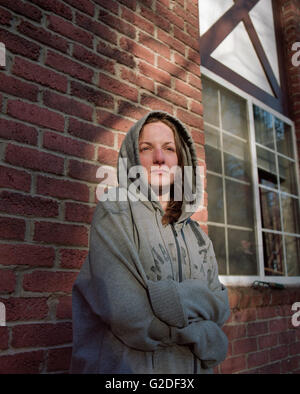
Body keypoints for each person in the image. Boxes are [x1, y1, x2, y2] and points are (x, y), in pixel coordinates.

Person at [70, 110, 230, 374]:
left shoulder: (198, 235)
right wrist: (200, 332)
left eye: (169, 148)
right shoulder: (115, 210)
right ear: (133, 157)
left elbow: (221, 307)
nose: (159, 158)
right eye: (146, 148)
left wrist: (164, 298)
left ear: (181, 161)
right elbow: (128, 314)